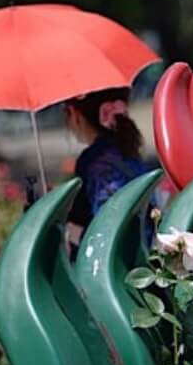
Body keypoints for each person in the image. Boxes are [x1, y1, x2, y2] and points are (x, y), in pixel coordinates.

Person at [63, 87, 150, 249]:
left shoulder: (92, 161)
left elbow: (100, 233)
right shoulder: (128, 149)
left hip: (114, 256)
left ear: (74, 114)